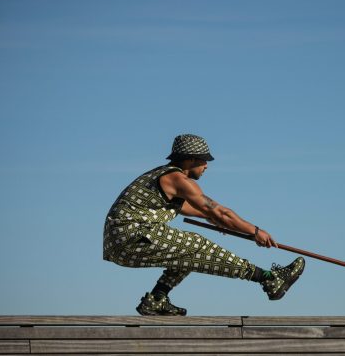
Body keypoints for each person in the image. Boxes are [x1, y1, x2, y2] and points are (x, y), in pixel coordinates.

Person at [103, 134, 305, 315]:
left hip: (119, 242)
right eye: (204, 160)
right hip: (132, 235)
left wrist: (217, 221)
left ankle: (156, 300)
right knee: (196, 245)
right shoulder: (177, 178)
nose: (207, 166)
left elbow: (200, 212)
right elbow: (219, 211)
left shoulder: (161, 176)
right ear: (190, 159)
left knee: (186, 255)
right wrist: (255, 231)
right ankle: (268, 279)